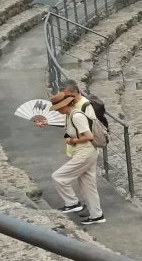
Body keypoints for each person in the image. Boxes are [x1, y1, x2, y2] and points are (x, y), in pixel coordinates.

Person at [37, 82, 105, 226]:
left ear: (64, 106)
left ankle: (73, 203)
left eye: (58, 108)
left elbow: (89, 135)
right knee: (88, 185)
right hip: (83, 151)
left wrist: (72, 140)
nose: (57, 111)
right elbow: (70, 127)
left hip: (85, 151)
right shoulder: (70, 115)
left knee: (59, 177)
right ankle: (96, 215)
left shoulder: (77, 114)